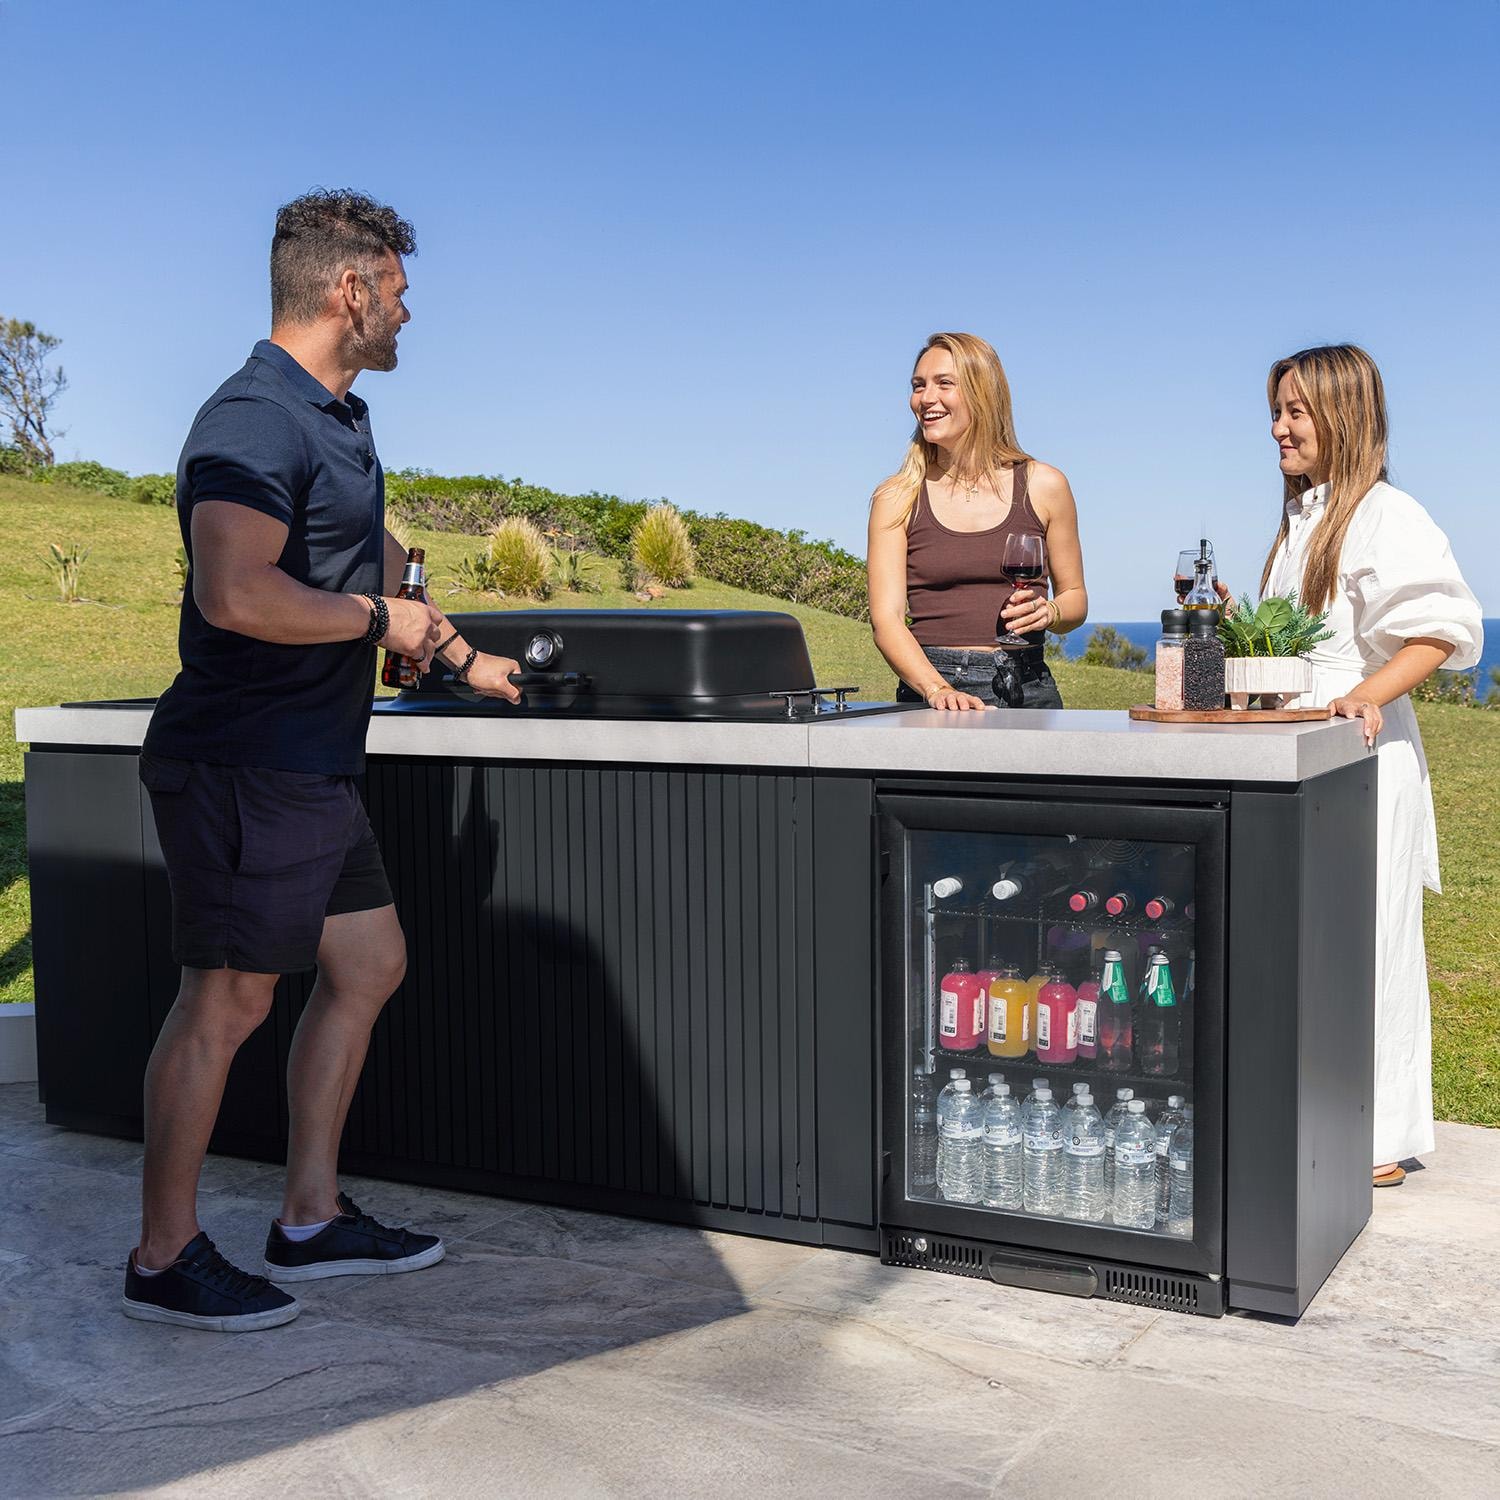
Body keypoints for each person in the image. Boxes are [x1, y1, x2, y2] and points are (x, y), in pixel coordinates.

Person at [126, 190, 522, 1331]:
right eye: (397, 287)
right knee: (228, 999)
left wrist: (454, 648)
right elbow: (237, 591)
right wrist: (376, 626)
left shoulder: (335, 418)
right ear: (349, 289)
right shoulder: (253, 417)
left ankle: (307, 1217)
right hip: (246, 761)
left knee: (369, 962)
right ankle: (163, 1254)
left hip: (312, 764)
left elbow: (374, 556)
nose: (409, 307)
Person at [1255, 344, 1482, 1187]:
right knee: (1315, 940)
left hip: (1362, 761)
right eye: (1276, 411)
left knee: (1369, 939)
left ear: (1343, 417)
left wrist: (1362, 694)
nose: (1278, 427)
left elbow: (1445, 629)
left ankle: (1377, 1134)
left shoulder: (1388, 513)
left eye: (1296, 412)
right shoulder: (1301, 522)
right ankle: (1319, 1113)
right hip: (1304, 761)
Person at [867, 332, 1087, 710]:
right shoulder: (896, 496)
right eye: (918, 386)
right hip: (931, 687)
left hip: (1027, 684)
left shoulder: (1045, 485)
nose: (925, 398)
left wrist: (1050, 612)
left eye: (944, 384)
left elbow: (1076, 599)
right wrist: (938, 690)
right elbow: (886, 620)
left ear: (982, 393)